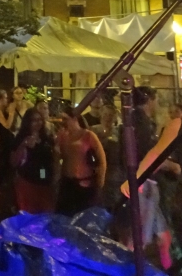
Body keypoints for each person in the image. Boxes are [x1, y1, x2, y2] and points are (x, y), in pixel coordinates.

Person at [120, 87, 179, 270]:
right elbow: (155, 154)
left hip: (150, 185)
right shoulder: (171, 124)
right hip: (150, 185)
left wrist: (136, 177)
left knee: (150, 239)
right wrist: (136, 178)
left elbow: (155, 154)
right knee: (154, 238)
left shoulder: (170, 124)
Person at [56, 108, 106, 216]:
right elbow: (60, 157)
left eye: (66, 119)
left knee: (83, 215)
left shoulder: (88, 135)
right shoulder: (63, 136)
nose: (63, 122)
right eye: (62, 119)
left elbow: (102, 160)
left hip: (85, 183)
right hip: (67, 182)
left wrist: (100, 183)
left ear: (75, 119)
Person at [11, 108, 58, 214]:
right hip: (28, 181)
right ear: (28, 122)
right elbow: (14, 162)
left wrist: (55, 177)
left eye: (39, 120)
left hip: (46, 181)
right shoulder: (21, 138)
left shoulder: (47, 137)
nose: (38, 123)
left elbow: (54, 158)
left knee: (46, 213)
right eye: (34, 120)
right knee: (29, 214)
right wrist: (24, 145)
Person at [92, 104, 124, 211]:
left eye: (110, 115)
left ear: (115, 117)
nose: (107, 117)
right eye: (105, 114)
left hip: (115, 174)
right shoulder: (94, 131)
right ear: (101, 114)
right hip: (98, 173)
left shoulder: (119, 132)